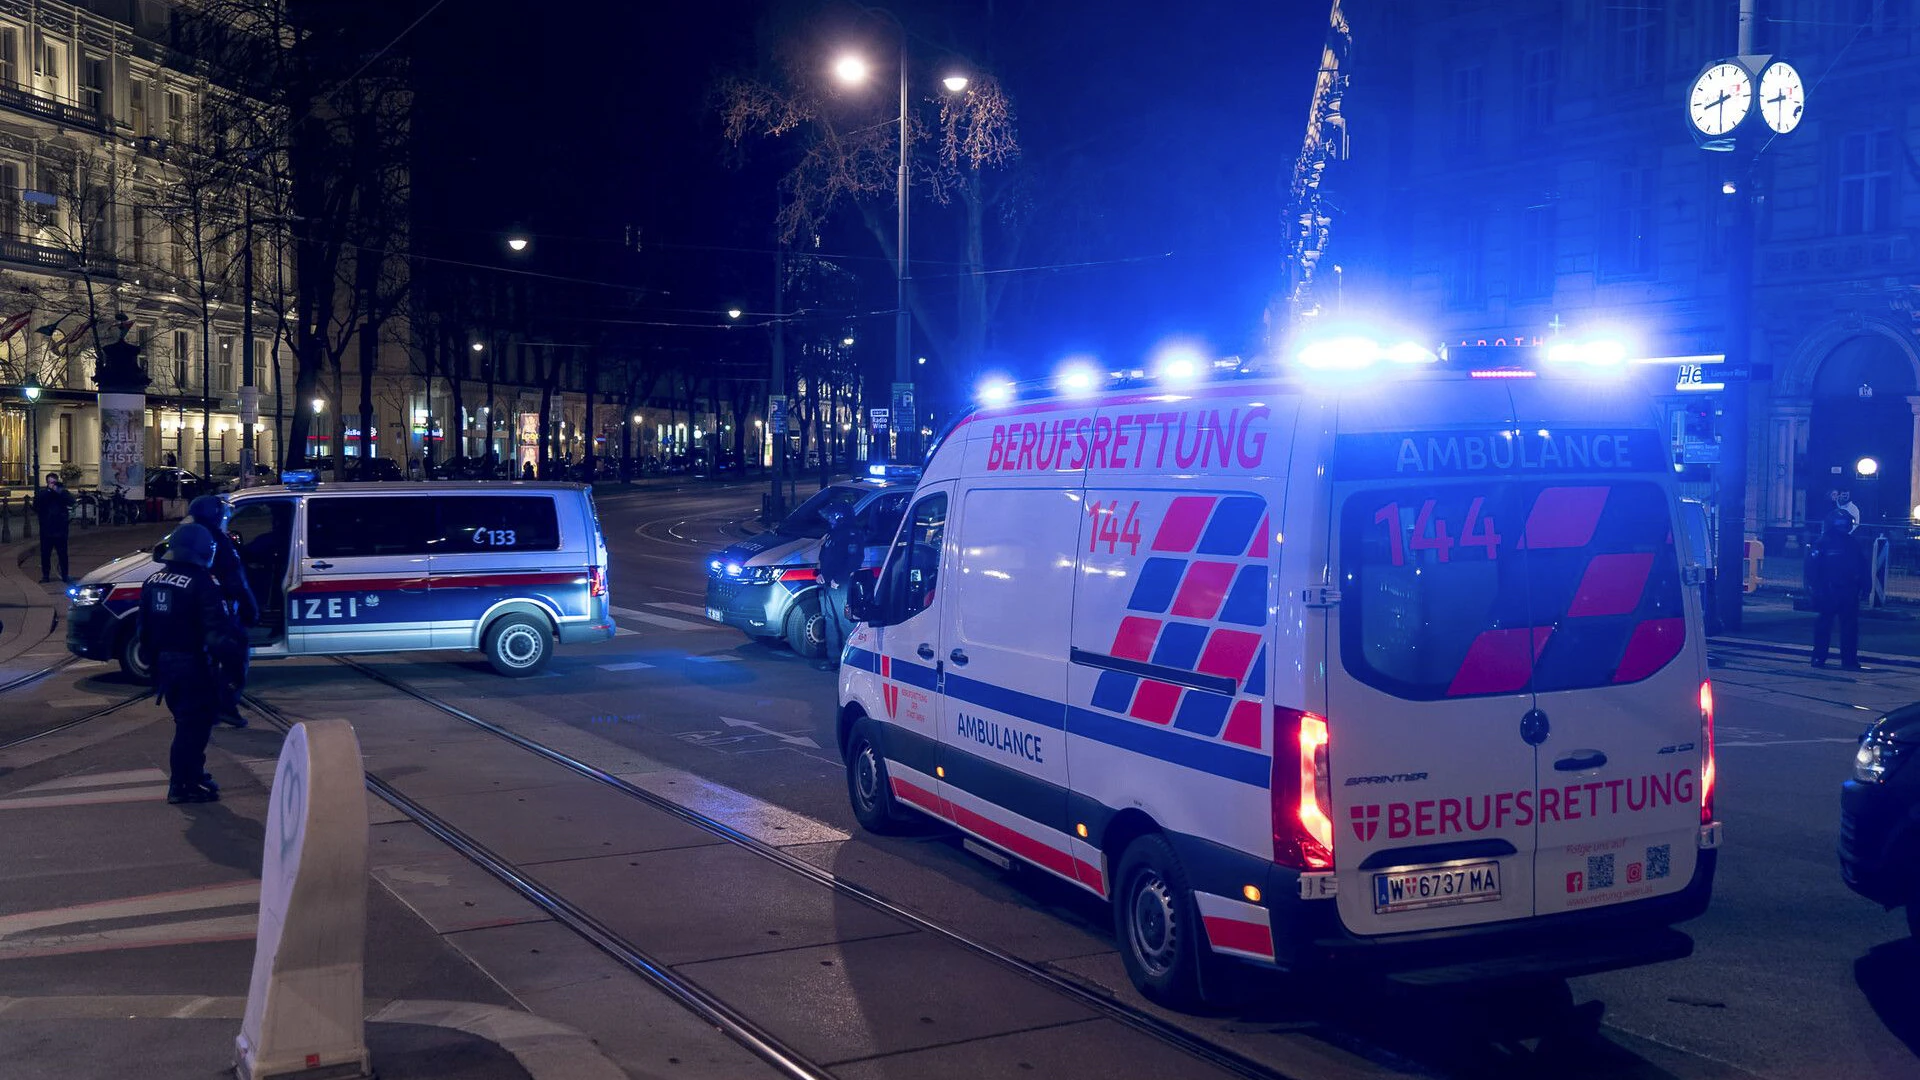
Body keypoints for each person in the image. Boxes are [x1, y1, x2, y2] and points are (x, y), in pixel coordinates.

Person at [139, 523, 242, 804]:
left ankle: (191, 777)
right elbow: (217, 636)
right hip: (194, 665)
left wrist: (152, 665)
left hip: (165, 666)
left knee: (185, 724)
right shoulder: (202, 583)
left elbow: (143, 629)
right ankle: (183, 784)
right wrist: (234, 669)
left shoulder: (153, 580)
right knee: (194, 727)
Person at [187, 495, 258, 727]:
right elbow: (236, 582)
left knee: (205, 663)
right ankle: (226, 706)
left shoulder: (188, 537)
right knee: (236, 658)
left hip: (196, 614)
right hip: (221, 613)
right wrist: (250, 609)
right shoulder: (220, 541)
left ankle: (205, 707)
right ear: (215, 515)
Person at [1806, 511, 1870, 671]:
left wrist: (1865, 585)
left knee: (1835, 626)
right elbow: (1812, 569)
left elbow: (1862, 566)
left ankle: (1825, 658)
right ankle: (1842, 660)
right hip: (1835, 590)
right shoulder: (1832, 543)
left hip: (1839, 590)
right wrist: (1865, 586)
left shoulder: (1832, 542)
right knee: (1838, 626)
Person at [815, 505, 865, 672]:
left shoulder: (851, 533)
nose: (829, 519)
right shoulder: (834, 533)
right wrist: (822, 574)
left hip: (840, 585)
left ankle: (851, 662)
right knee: (830, 620)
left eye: (832, 516)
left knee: (845, 622)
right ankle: (834, 659)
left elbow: (854, 560)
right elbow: (827, 556)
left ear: (839, 516)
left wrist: (839, 579)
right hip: (829, 583)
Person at [32, 472, 75, 583]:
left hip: (60, 528)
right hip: (47, 529)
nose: (52, 485)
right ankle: (45, 575)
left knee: (63, 553)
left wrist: (59, 491)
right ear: (47, 483)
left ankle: (65, 574)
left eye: (54, 482)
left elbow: (71, 501)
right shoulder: (43, 493)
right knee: (45, 553)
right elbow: (36, 505)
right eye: (50, 482)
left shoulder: (62, 492)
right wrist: (49, 491)